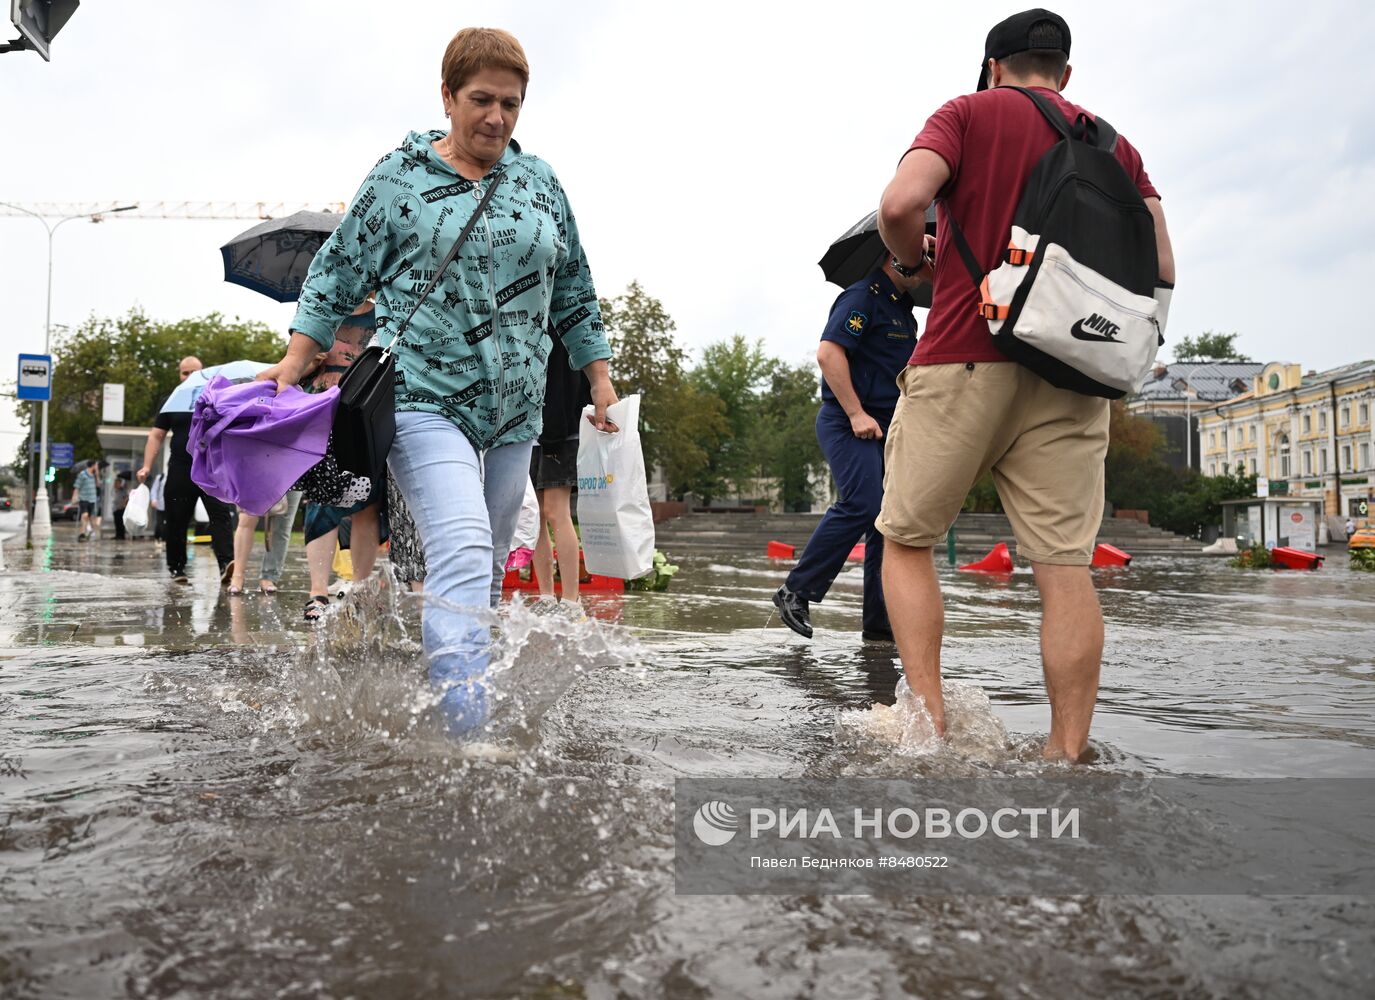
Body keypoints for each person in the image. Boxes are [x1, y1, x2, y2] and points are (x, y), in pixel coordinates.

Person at [258, 27, 617, 732]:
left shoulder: (539, 181)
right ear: (447, 95)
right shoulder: (399, 178)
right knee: (460, 545)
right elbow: (336, 273)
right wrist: (297, 361)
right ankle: (466, 727)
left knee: (482, 566)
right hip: (423, 395)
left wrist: (599, 379)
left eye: (510, 103)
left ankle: (456, 689)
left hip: (516, 409)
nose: (496, 117)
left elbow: (574, 286)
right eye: (481, 99)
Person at [874, 9, 1175, 761]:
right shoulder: (1113, 144)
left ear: (991, 65)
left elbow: (899, 205)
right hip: (1074, 374)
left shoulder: (966, 113)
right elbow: (1161, 263)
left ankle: (929, 727)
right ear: (1064, 74)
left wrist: (917, 263)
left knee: (906, 541)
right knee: (1065, 567)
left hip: (962, 355)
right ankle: (1065, 752)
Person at [773, 258, 927, 642]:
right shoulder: (862, 296)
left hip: (888, 427)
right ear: (898, 256)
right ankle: (796, 590)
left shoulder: (903, 312)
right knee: (864, 504)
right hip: (848, 422)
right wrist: (856, 413)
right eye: (925, 250)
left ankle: (879, 622)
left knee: (886, 522)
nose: (931, 259)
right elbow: (829, 354)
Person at [137, 355, 236, 584]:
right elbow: (156, 435)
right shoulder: (171, 400)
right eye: (185, 373)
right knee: (176, 518)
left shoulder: (215, 397)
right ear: (179, 375)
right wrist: (146, 466)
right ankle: (177, 569)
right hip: (181, 467)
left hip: (212, 467)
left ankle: (226, 564)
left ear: (205, 374)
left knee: (220, 514)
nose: (190, 376)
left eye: (195, 372)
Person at [530, 330, 591, 602]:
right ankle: (545, 596)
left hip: (560, 431)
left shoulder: (564, 326)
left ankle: (570, 599)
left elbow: (566, 386)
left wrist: (554, 436)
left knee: (556, 512)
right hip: (530, 433)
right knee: (535, 518)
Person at [226, 492, 304, 596]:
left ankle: (269, 576)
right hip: (255, 476)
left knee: (282, 525)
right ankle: (237, 575)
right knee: (246, 518)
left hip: (291, 478)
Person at [72, 458, 98, 541]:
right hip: (84, 498)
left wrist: (97, 474)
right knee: (85, 516)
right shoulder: (82, 474)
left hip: (92, 499)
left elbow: (98, 485)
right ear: (93, 465)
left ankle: (89, 532)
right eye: (96, 465)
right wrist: (74, 496)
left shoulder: (94, 475)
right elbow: (77, 486)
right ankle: (82, 534)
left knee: (91, 518)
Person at [112, 470, 132, 540]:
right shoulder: (114, 490)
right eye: (115, 483)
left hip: (121, 508)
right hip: (115, 508)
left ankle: (121, 535)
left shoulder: (123, 490)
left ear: (120, 483)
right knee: (116, 522)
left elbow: (126, 497)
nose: (115, 484)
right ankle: (117, 535)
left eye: (117, 483)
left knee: (121, 523)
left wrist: (124, 503)